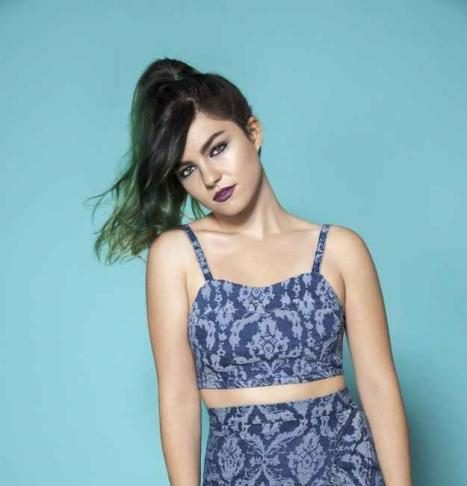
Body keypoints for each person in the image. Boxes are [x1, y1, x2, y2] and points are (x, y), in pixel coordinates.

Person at [89, 57, 413, 485]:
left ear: (253, 133)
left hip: (347, 470)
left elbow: (378, 386)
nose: (210, 177)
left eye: (217, 148)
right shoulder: (177, 256)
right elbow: (178, 398)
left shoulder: (341, 249)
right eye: (187, 169)